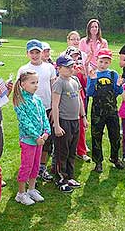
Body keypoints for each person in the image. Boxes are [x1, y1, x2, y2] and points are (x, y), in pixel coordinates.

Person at [17, 39, 56, 182]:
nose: (35, 55)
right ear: (27, 54)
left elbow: (53, 86)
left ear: (42, 52)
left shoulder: (49, 68)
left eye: (37, 52)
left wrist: (53, 107)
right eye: (32, 52)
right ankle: (29, 166)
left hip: (46, 108)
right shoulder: (23, 69)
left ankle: (41, 167)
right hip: (29, 110)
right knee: (31, 139)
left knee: (46, 140)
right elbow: (19, 91)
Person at [13, 70, 51, 205]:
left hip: (40, 140)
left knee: (36, 165)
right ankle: (21, 193)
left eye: (37, 82)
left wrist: (46, 132)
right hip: (29, 141)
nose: (36, 85)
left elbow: (44, 117)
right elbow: (25, 122)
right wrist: (36, 136)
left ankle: (32, 189)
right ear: (23, 84)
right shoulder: (20, 101)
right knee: (26, 166)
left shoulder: (38, 99)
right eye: (32, 82)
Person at [52, 55, 87, 193]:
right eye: (67, 67)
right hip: (63, 121)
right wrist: (57, 125)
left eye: (71, 66)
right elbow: (55, 104)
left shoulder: (75, 80)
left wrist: (83, 116)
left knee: (72, 150)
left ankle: (70, 176)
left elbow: (79, 99)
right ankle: (61, 178)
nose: (70, 69)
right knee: (62, 151)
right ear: (59, 68)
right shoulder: (59, 82)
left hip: (75, 120)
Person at [87, 48, 125, 173]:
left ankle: (115, 158)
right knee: (96, 136)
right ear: (97, 60)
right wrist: (92, 80)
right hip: (97, 112)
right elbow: (90, 93)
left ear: (110, 62)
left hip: (112, 111)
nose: (103, 64)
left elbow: (117, 93)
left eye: (106, 62)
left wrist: (119, 85)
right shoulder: (93, 74)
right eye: (101, 61)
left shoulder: (113, 74)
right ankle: (98, 162)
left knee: (115, 136)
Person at [64, 46, 90, 162]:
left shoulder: (79, 68)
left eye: (76, 56)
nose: (74, 58)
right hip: (67, 102)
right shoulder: (63, 69)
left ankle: (81, 151)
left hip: (79, 99)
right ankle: (69, 150)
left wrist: (84, 74)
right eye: (72, 55)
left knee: (81, 127)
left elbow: (85, 86)